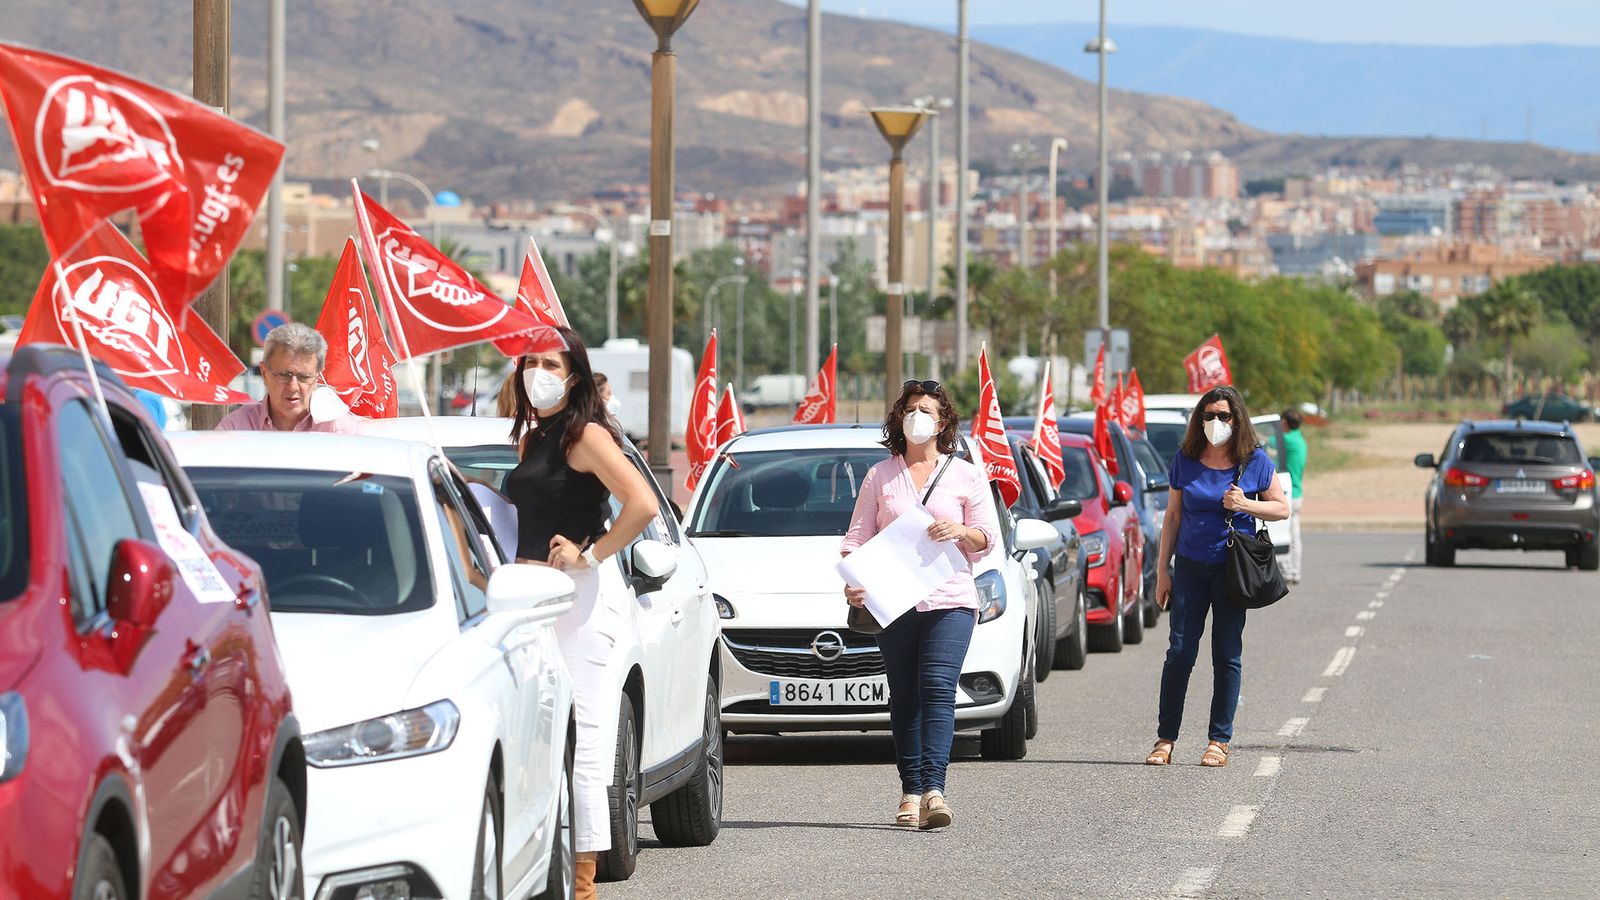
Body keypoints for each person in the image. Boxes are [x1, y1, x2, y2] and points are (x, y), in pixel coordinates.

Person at [504, 326, 659, 899]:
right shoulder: (533, 436)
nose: (536, 372)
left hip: (582, 601)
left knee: (587, 740)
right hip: (530, 599)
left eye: (550, 362)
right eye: (529, 362)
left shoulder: (585, 434)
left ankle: (583, 883)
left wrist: (589, 554)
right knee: (532, 738)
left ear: (573, 375)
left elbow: (641, 502)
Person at [841, 380, 999, 830]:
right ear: (899, 417)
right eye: (911, 408)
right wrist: (855, 582)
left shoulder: (966, 474)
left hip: (950, 598)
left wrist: (959, 532)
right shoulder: (881, 475)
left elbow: (986, 538)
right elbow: (857, 538)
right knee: (905, 694)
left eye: (927, 409)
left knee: (936, 687)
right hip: (894, 602)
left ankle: (934, 790)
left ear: (943, 421)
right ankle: (909, 791)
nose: (918, 416)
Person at [1147, 385, 1288, 769]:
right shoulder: (1186, 458)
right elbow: (1172, 516)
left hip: (1231, 570)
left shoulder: (1253, 460)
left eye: (1223, 415)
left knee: (1226, 655)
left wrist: (1245, 503)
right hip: (1190, 567)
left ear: (1237, 419)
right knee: (1179, 652)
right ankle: (1165, 739)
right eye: (1208, 415)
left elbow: (1282, 508)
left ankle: (1218, 741)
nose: (1215, 422)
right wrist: (1163, 571)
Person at [217, 323, 362, 433]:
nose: (293, 386)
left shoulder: (338, 430)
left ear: (317, 378)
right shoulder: (236, 429)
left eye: (304, 377)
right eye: (284, 375)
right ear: (264, 373)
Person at [1280, 407, 1307, 584]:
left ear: (1285, 423)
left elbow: (1261, 441)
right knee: (1295, 533)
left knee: (1287, 534)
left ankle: (1288, 570)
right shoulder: (1300, 440)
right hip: (1297, 491)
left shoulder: (1286, 440)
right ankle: (1295, 570)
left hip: (1288, 492)